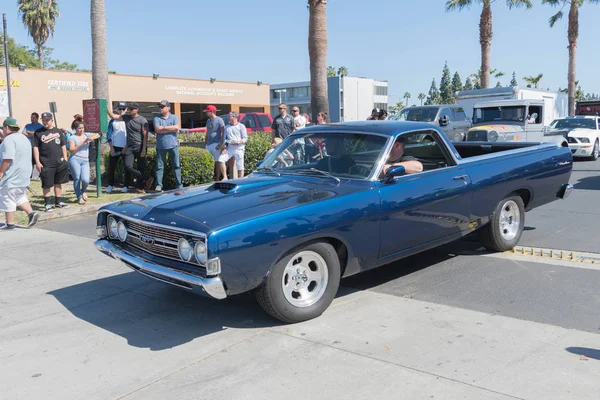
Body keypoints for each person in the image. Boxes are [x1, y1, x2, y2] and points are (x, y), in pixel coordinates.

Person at [0, 118, 40, 229]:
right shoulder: (24, 138)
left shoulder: (9, 140)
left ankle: (10, 224)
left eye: (3, 128)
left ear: (7, 128)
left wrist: (1, 172)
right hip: (24, 174)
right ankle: (31, 213)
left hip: (12, 174)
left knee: (7, 197)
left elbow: (8, 158)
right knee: (19, 196)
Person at [107, 103, 150, 194]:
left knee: (140, 167)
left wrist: (143, 149)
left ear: (137, 110)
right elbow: (112, 115)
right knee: (128, 166)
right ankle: (146, 178)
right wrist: (105, 106)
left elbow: (145, 136)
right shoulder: (126, 118)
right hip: (130, 147)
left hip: (140, 146)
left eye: (133, 109)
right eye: (130, 109)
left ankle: (139, 187)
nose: (131, 110)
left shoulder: (142, 120)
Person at [32, 112, 70, 212]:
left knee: (58, 182)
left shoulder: (58, 131)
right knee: (46, 184)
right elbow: (35, 148)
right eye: (43, 120)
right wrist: (38, 162)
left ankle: (58, 202)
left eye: (47, 120)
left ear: (52, 120)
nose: (45, 122)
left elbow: (63, 145)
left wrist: (65, 159)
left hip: (59, 161)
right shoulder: (38, 132)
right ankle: (47, 204)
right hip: (46, 162)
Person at [68, 122, 100, 204]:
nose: (81, 130)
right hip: (75, 159)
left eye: (82, 128)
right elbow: (71, 150)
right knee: (77, 178)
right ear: (75, 128)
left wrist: (92, 137)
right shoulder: (72, 137)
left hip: (85, 160)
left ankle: (83, 191)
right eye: (79, 128)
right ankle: (79, 197)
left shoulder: (86, 134)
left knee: (86, 180)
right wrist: (82, 143)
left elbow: (98, 134)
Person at [153, 100, 181, 191]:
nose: (160, 108)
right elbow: (157, 129)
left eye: (162, 107)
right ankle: (159, 185)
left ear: (168, 108)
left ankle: (179, 185)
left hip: (173, 145)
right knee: (159, 167)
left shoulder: (174, 117)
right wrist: (171, 128)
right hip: (161, 146)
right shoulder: (157, 118)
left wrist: (164, 128)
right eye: (160, 107)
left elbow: (177, 127)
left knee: (176, 165)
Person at [106, 102, 129, 193]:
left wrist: (126, 147)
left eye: (123, 109)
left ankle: (126, 185)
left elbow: (131, 135)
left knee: (127, 167)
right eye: (120, 109)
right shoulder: (113, 121)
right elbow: (109, 135)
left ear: (126, 109)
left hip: (126, 148)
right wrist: (111, 148)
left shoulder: (128, 120)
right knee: (112, 167)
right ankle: (111, 185)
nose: (121, 111)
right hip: (115, 147)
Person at [219, 112, 248, 178]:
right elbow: (224, 139)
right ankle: (225, 177)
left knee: (240, 166)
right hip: (230, 148)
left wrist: (237, 142)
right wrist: (224, 148)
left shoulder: (241, 126)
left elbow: (245, 139)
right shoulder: (226, 127)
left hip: (239, 148)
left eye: (230, 116)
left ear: (235, 117)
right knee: (221, 159)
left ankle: (240, 180)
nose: (228, 117)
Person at [203, 105, 226, 181]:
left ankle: (217, 178)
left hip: (216, 143)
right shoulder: (208, 120)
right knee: (208, 161)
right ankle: (209, 178)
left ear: (212, 111)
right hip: (208, 144)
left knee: (217, 161)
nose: (206, 113)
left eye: (207, 111)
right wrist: (205, 143)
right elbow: (207, 132)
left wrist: (220, 144)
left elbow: (223, 132)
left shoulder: (219, 120)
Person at [22, 112, 43, 177]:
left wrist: (31, 133)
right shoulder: (27, 126)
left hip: (37, 147)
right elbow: (23, 133)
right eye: (31, 117)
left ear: (37, 118)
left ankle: (41, 175)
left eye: (33, 117)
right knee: (29, 162)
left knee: (39, 161)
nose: (32, 119)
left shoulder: (40, 126)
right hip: (29, 146)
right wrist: (33, 134)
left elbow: (40, 135)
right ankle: (29, 176)